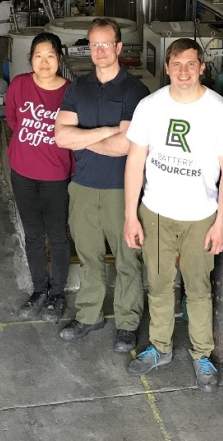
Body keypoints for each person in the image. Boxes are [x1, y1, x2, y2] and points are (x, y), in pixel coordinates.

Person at [123, 38, 223, 390]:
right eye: (177, 64)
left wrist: (222, 221)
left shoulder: (220, 111)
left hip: (200, 216)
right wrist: (131, 214)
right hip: (156, 212)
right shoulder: (150, 106)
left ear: (203, 67)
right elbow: (135, 161)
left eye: (191, 64)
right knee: (158, 284)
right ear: (167, 67)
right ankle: (160, 347)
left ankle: (201, 354)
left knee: (198, 288)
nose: (184, 71)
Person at [54, 18, 149, 352]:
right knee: (88, 257)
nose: (99, 51)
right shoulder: (77, 87)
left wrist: (81, 138)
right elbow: (60, 135)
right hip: (82, 186)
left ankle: (127, 324)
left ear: (119, 47)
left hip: (120, 189)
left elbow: (125, 146)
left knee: (126, 259)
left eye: (106, 44)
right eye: (93, 45)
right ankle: (89, 314)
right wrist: (106, 132)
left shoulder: (134, 91)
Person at [6, 32, 72, 322]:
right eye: (38, 56)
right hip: (23, 173)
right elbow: (13, 119)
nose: (44, 62)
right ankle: (39, 290)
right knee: (33, 234)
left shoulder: (71, 91)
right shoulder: (19, 84)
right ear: (30, 58)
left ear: (59, 58)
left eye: (50, 56)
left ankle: (57, 293)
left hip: (57, 175)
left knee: (57, 235)